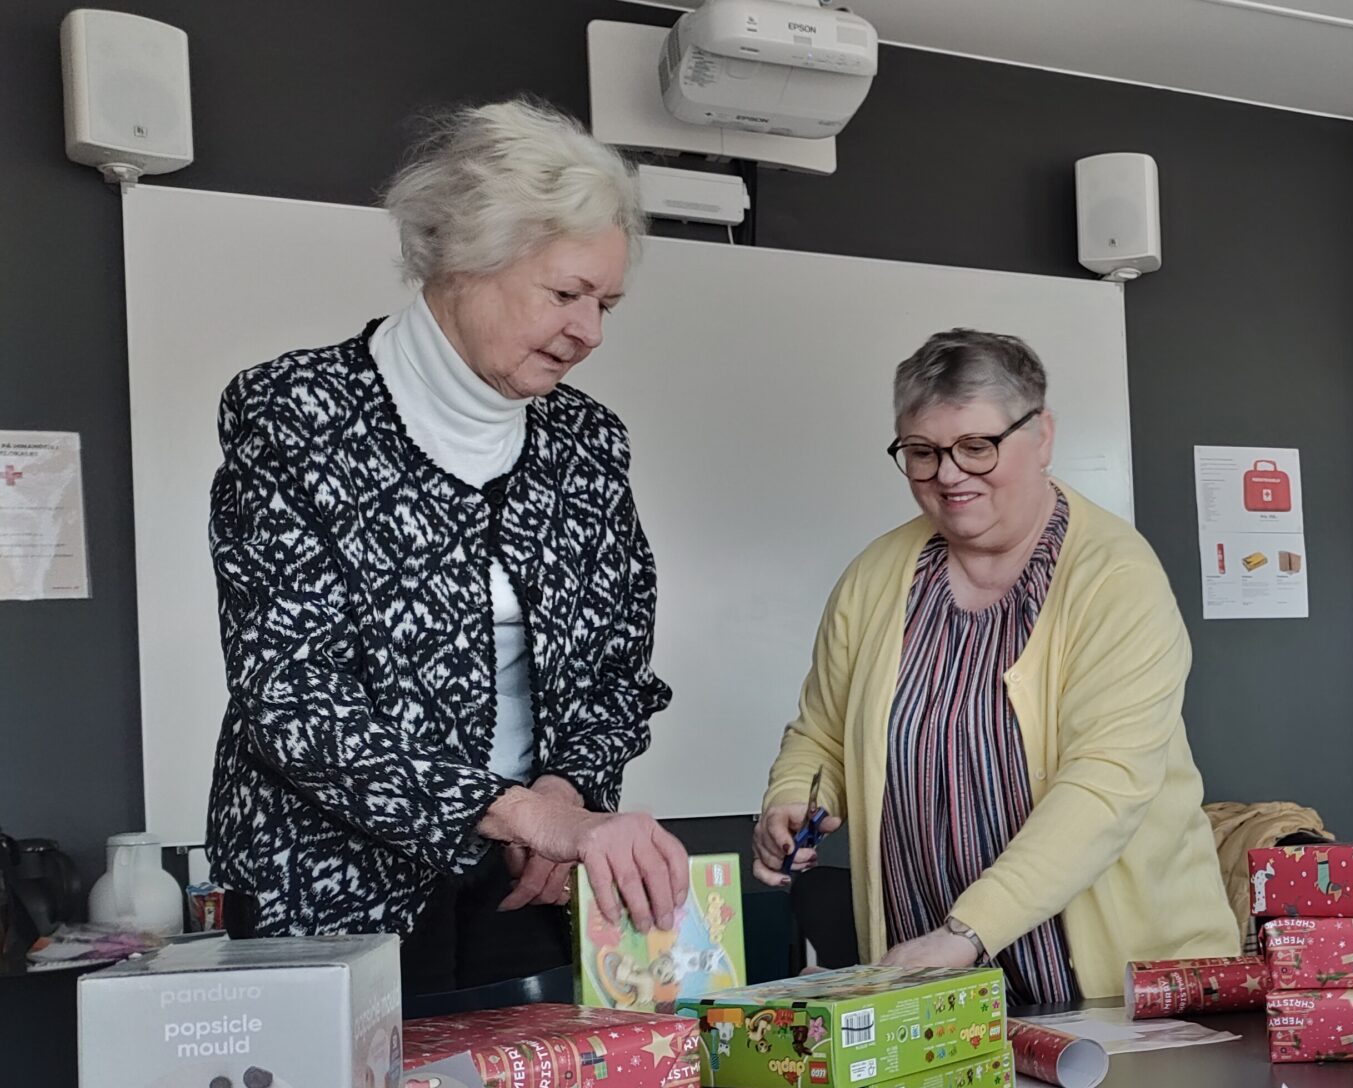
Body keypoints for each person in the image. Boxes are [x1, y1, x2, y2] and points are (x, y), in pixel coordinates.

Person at [207, 99, 687, 998]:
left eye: (607, 302)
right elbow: (293, 697)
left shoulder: (588, 445)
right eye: (566, 294)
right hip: (332, 889)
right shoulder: (297, 416)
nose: (591, 331)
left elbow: (618, 660)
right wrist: (519, 816)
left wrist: (569, 794)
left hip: (526, 885)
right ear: (467, 257)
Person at [756, 329, 1235, 1005]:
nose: (949, 475)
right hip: (932, 985)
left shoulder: (1117, 579)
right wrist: (791, 796)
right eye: (922, 453)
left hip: (1115, 994)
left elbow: (1104, 789)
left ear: (1042, 436)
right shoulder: (874, 577)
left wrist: (969, 931)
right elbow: (822, 732)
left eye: (976, 447)